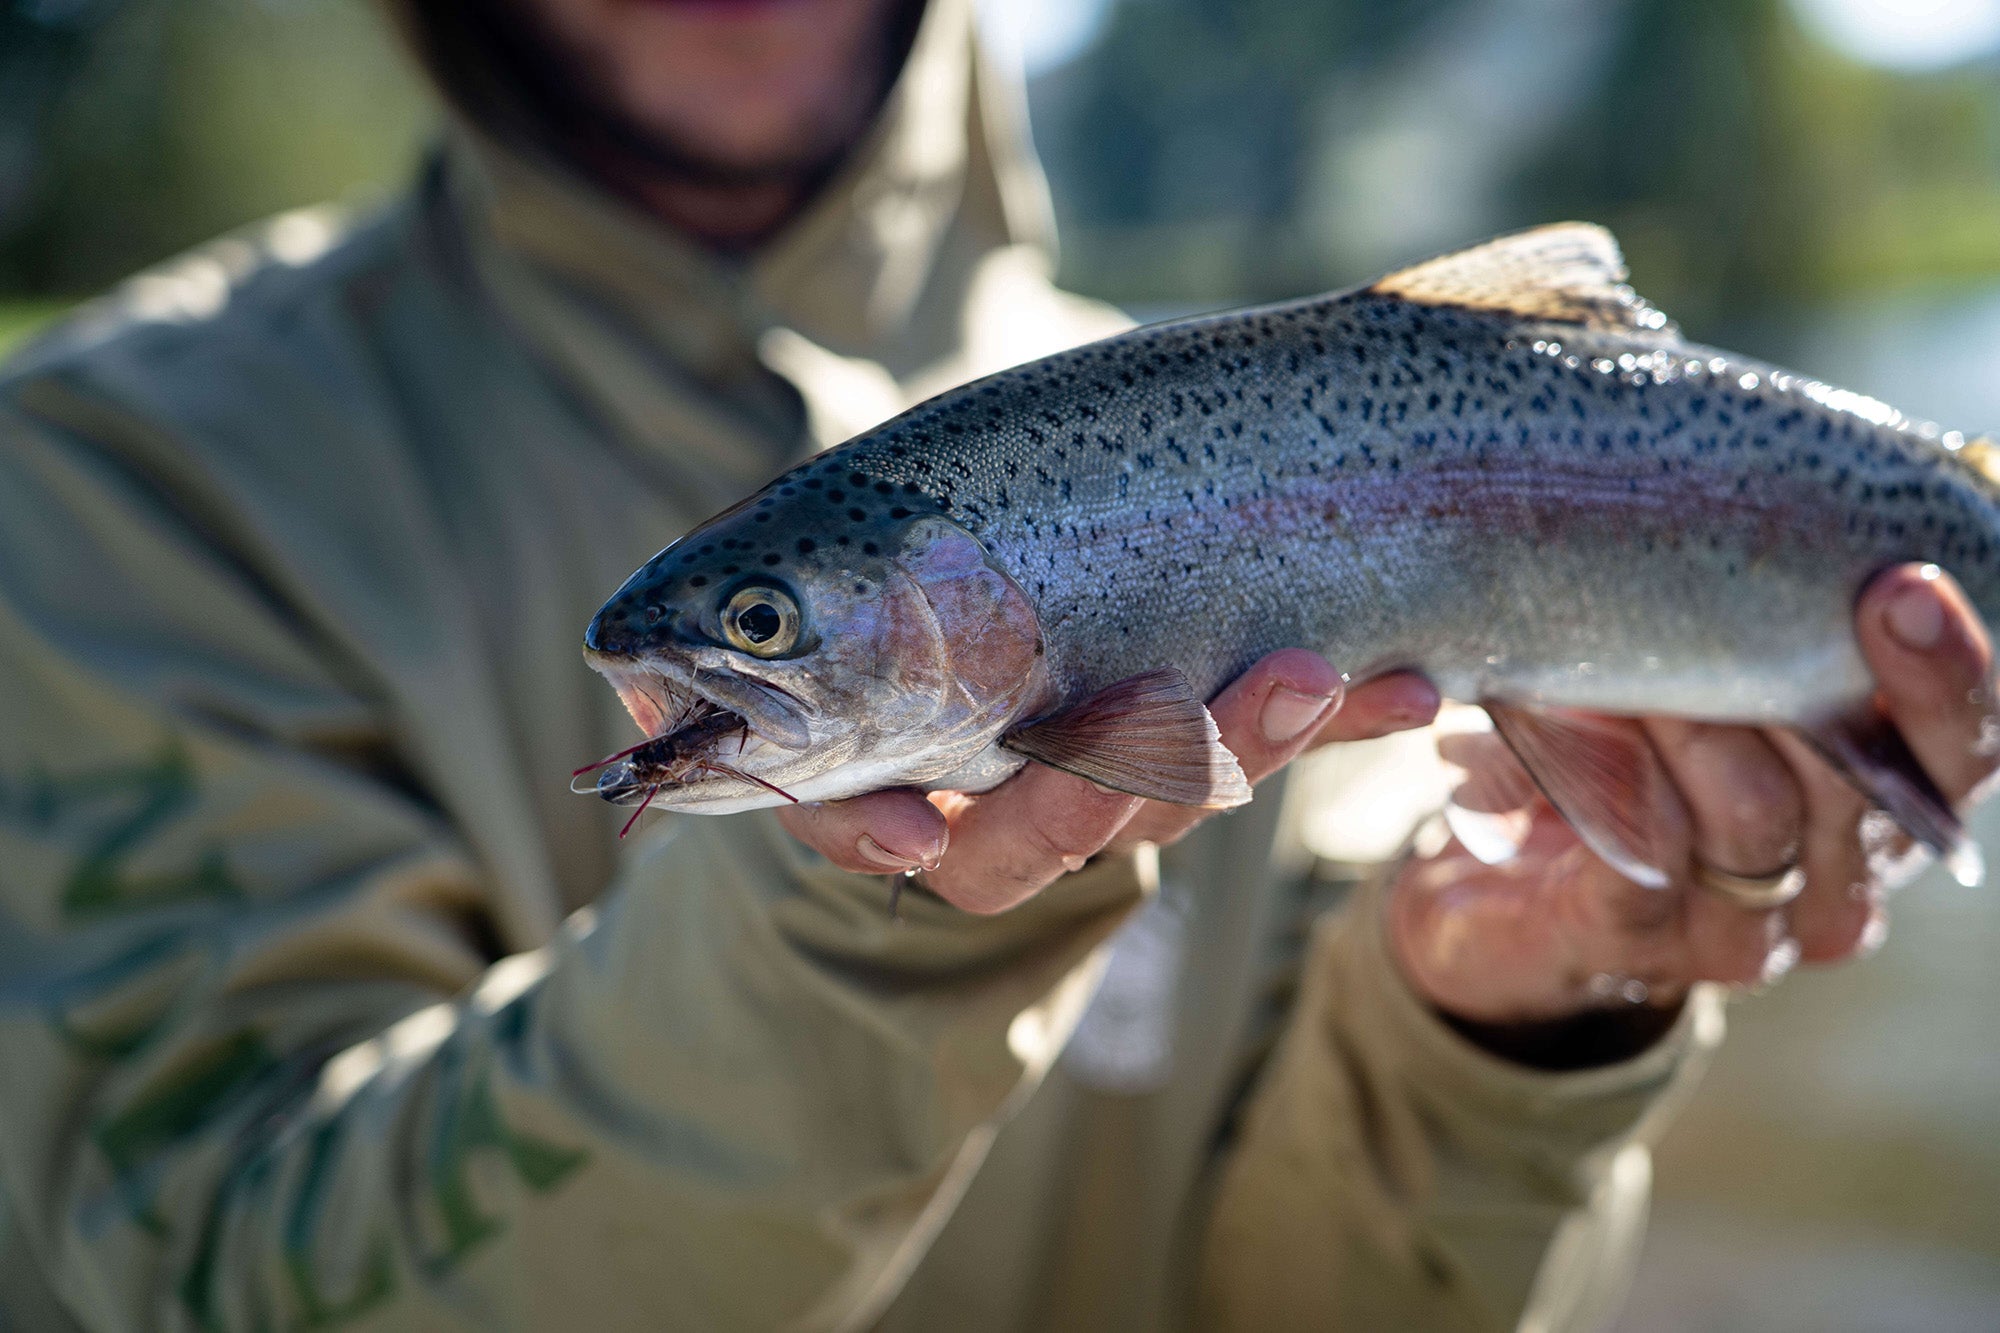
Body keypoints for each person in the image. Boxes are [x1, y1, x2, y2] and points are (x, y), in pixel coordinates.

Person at [0, 0, 1989, 1327]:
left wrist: (1506, 1015)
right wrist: (853, 925)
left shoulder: (1235, 432)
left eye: (769, 627)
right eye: (759, 631)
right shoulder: (118, 485)